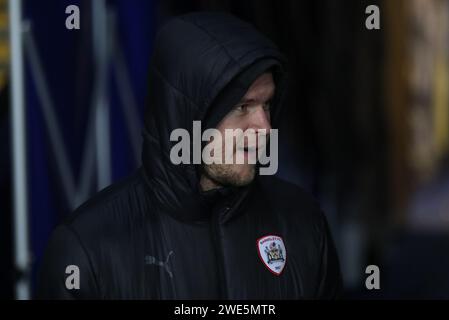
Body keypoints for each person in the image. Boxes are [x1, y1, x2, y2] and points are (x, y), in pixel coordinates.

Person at [37, 11, 342, 299]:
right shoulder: (87, 251)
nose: (264, 127)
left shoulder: (303, 223)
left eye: (266, 105)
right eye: (242, 107)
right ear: (186, 116)